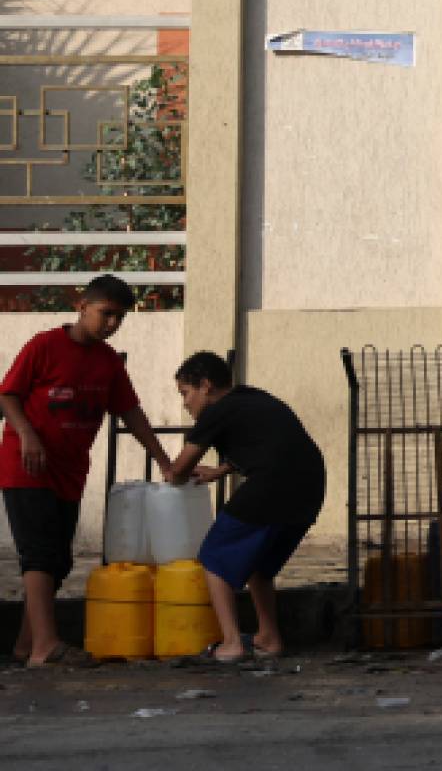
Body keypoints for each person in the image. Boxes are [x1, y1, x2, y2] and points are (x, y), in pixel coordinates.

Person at [2, 275, 172, 667]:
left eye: (120, 318)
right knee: (40, 553)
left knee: (59, 560)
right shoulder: (45, 345)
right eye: (106, 314)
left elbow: (130, 412)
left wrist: (163, 460)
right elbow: (7, 393)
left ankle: (27, 646)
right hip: (27, 466)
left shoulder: (108, 362)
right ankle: (46, 646)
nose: (112, 324)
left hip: (70, 470)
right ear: (82, 306)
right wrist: (27, 435)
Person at [164, 352, 325, 664]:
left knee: (213, 555)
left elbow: (182, 468)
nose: (185, 403)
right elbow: (268, 444)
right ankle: (269, 638)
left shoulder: (217, 412)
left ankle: (232, 642)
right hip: (310, 489)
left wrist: (171, 473)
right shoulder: (254, 398)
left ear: (206, 386)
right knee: (259, 564)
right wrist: (221, 470)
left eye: (185, 393)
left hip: (271, 487)